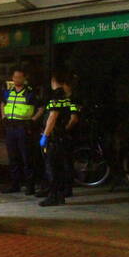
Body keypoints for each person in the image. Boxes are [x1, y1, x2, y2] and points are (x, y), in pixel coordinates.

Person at [39, 70, 81, 206]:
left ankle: (53, 196)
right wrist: (65, 130)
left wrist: (45, 135)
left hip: (54, 138)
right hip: (64, 138)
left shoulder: (56, 96)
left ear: (56, 82)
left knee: (51, 168)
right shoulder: (71, 97)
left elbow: (52, 117)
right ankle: (62, 194)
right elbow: (74, 118)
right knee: (62, 167)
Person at [0, 68, 38, 194]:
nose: (16, 79)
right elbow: (2, 103)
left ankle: (30, 186)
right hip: (10, 126)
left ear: (24, 78)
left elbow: (41, 107)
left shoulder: (29, 93)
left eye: (19, 77)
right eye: (15, 77)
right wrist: (3, 116)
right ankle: (15, 184)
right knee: (13, 157)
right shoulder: (8, 91)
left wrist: (33, 120)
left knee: (26, 157)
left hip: (23, 127)